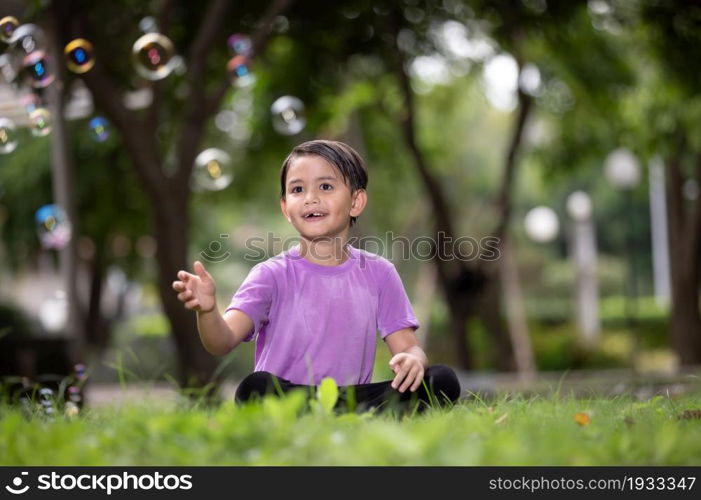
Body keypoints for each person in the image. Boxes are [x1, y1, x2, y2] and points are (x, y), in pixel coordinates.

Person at [172, 140, 461, 414]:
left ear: (356, 202)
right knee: (255, 387)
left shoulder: (379, 273)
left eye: (325, 186)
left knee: (441, 379)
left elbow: (408, 345)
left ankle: (362, 415)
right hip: (290, 399)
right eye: (298, 189)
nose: (311, 198)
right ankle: (305, 415)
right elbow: (221, 342)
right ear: (286, 208)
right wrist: (208, 311)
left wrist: (414, 359)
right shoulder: (271, 275)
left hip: (353, 401)